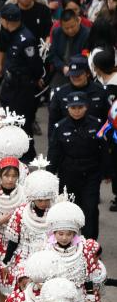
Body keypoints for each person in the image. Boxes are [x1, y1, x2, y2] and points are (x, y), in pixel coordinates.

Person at [48, 92, 103, 238]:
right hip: (68, 174)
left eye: (80, 107)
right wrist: (49, 174)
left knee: (90, 209)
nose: (77, 111)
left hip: (91, 173)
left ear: (86, 107)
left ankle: (90, 244)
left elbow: (103, 150)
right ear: (67, 108)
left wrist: (107, 172)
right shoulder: (60, 127)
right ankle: (71, 242)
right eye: (73, 108)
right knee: (70, 208)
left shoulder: (96, 124)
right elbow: (54, 153)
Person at [0, 2, 44, 160]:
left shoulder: (26, 39)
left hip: (23, 88)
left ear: (6, 20)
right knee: (9, 117)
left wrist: (36, 79)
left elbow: (35, 65)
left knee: (23, 123)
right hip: (10, 84)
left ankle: (28, 155)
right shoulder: (8, 32)